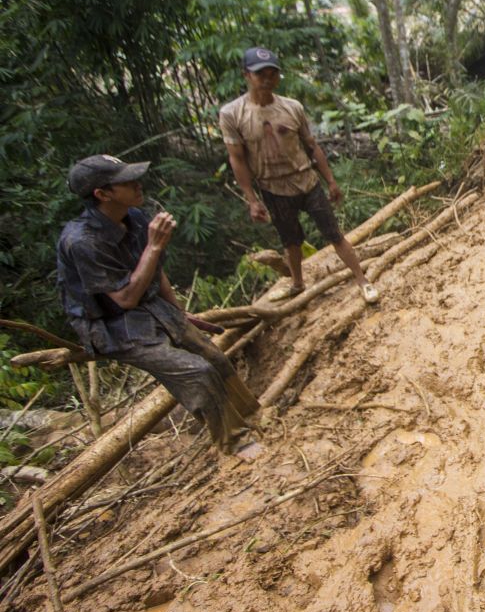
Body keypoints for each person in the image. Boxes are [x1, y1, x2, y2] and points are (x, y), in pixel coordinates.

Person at [57, 156, 259, 453]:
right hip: (113, 324)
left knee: (212, 355)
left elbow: (155, 271)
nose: (138, 184)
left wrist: (178, 315)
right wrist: (153, 246)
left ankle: (252, 414)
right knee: (196, 371)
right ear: (103, 194)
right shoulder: (82, 241)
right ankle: (234, 442)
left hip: (151, 304)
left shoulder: (135, 217)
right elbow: (125, 299)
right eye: (126, 182)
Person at [220, 47, 379, 305]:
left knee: (334, 234)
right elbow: (237, 159)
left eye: (273, 73)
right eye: (261, 74)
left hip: (306, 180)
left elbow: (311, 146)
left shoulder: (292, 107)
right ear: (247, 75)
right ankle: (297, 284)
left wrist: (330, 181)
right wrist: (251, 199)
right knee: (291, 241)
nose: (268, 79)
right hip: (273, 188)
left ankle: (362, 279)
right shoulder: (232, 114)